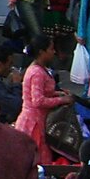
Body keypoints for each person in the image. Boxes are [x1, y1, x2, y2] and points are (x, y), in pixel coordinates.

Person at [16, 36, 72, 164]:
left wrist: (59, 93)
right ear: (41, 52)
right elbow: (38, 101)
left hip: (37, 121)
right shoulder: (37, 73)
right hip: (33, 124)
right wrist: (62, 100)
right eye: (51, 49)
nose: (53, 52)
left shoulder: (38, 69)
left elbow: (43, 92)